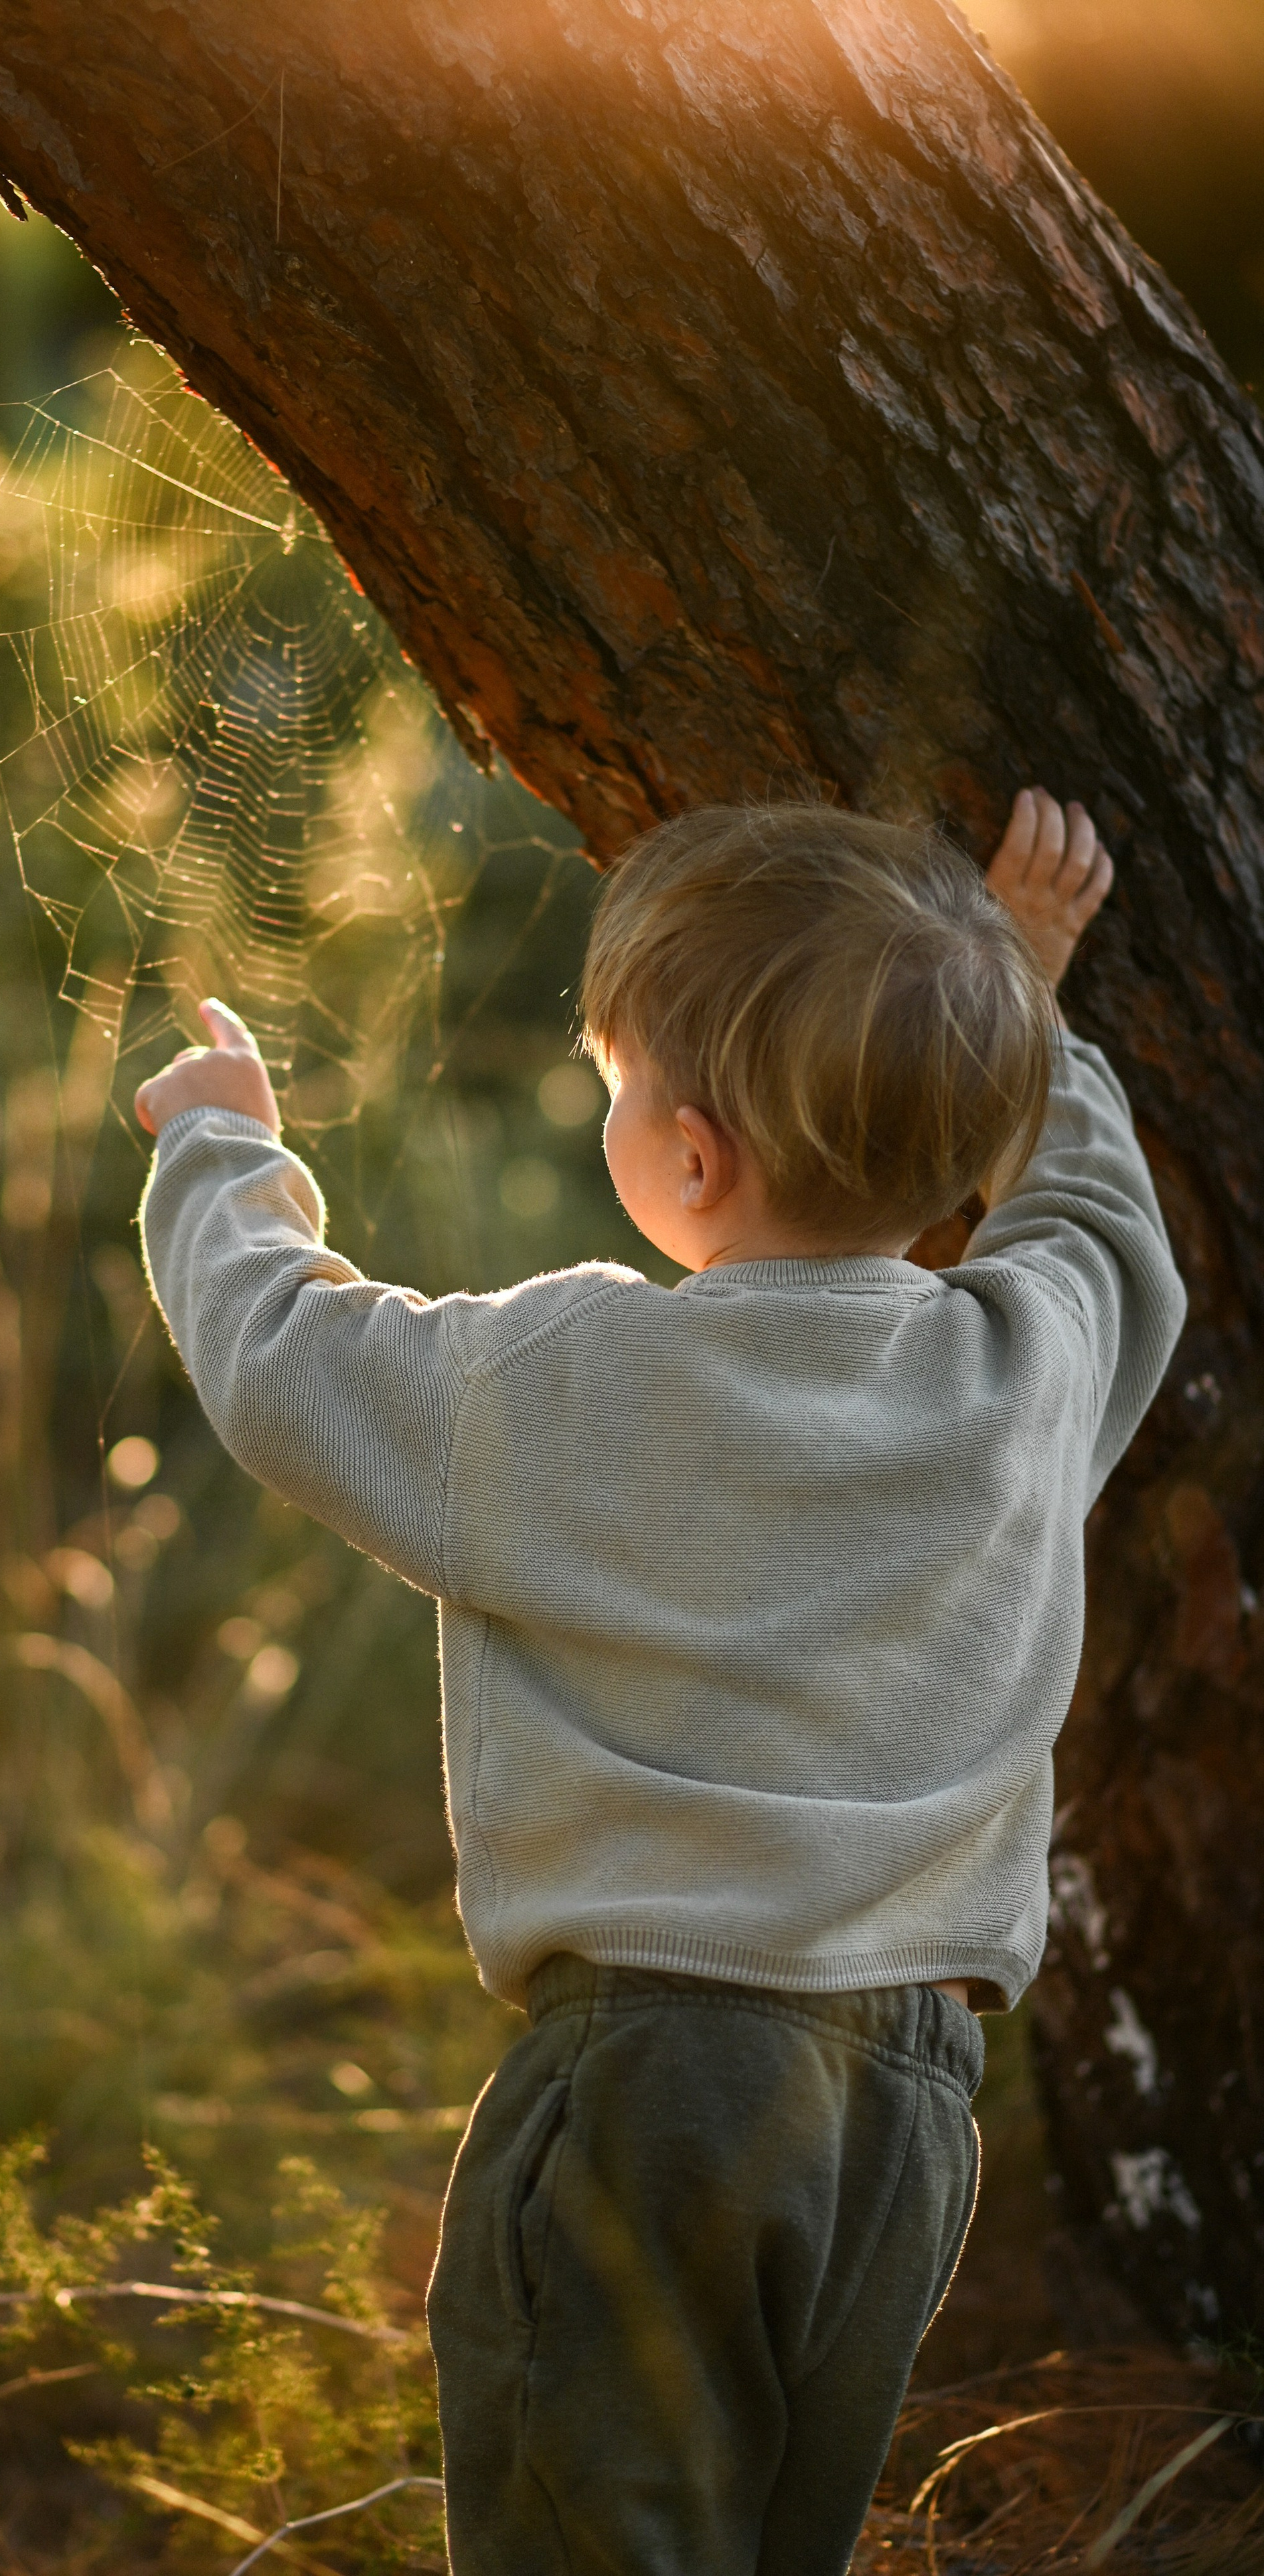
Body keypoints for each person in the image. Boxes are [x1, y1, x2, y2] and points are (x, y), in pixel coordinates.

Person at [132, 787, 1186, 2576]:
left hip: (655, 2077)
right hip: (909, 2107)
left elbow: (283, 1359)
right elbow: (1098, 1224)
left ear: (690, 1158)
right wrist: (1023, 986)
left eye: (616, 1085)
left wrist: (222, 1152)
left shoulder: (576, 1371)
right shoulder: (1022, 1372)